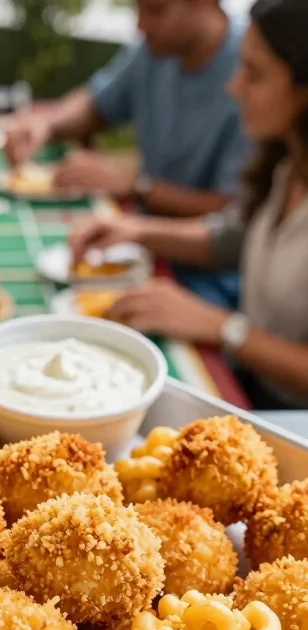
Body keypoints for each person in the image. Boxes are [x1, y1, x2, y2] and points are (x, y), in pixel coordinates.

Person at [69, 0, 308, 409]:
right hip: (244, 381)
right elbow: (233, 238)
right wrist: (136, 231)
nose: (234, 87)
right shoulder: (286, 165)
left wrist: (224, 328)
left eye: (255, 74)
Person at [6, 0, 248, 220]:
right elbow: (96, 102)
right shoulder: (156, 49)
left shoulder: (253, 70)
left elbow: (233, 213)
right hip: (145, 234)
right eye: (136, 8)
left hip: (202, 263)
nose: (141, 25)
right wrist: (45, 125)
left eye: (156, 10)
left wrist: (135, 187)